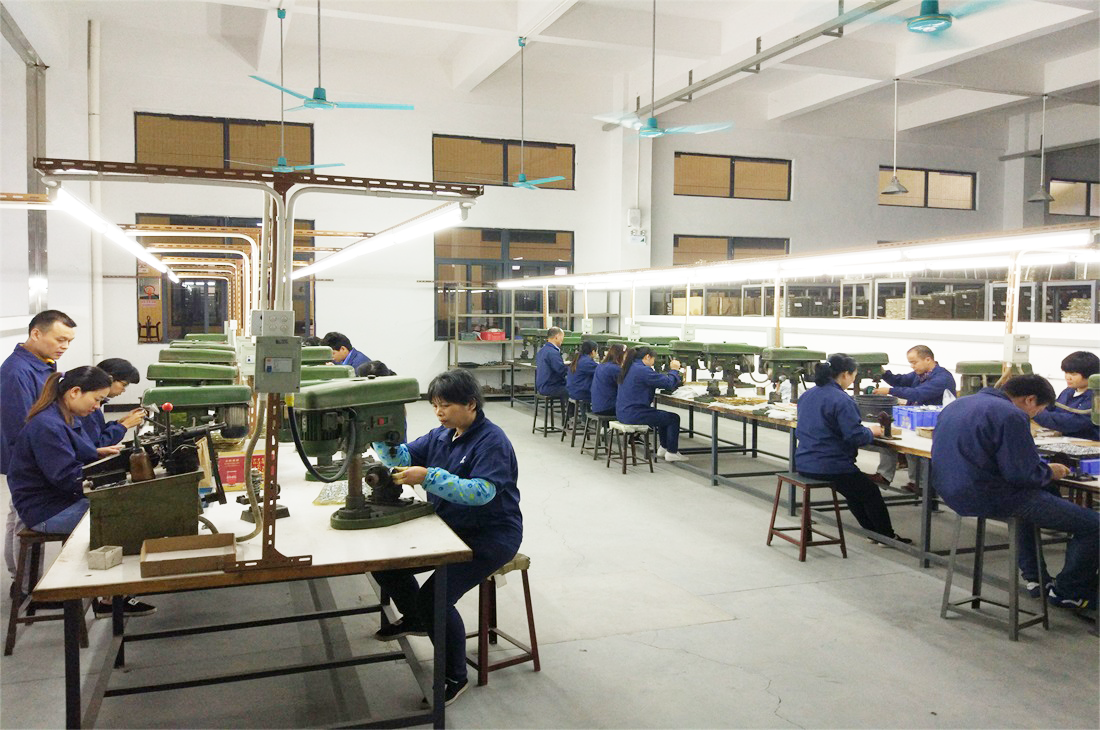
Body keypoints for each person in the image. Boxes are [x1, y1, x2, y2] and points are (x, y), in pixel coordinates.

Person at [369, 369, 521, 706]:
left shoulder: (492, 441)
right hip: (449, 526)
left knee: (435, 598)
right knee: (385, 566)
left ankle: (455, 675)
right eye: (435, 405)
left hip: (488, 535)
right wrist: (381, 436)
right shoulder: (441, 435)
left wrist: (429, 478)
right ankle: (417, 620)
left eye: (446, 405)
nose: (439, 412)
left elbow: (481, 492)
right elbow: (403, 457)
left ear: (471, 404)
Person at [932, 374, 1098, 613]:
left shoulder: (959, 404)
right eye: (1038, 410)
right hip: (992, 496)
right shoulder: (1011, 414)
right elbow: (1022, 475)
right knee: (1093, 525)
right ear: (1029, 399)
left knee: (1045, 493)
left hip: (952, 490)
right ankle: (1068, 592)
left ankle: (1035, 578)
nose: (1035, 416)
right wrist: (1050, 471)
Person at [7, 366, 156, 617]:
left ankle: (111, 592)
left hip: (59, 499)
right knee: (122, 518)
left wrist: (98, 454)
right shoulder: (47, 425)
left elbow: (75, 450)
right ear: (75, 392)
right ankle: (109, 598)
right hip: (46, 509)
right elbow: (67, 478)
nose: (97, 407)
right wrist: (114, 477)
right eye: (97, 399)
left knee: (124, 505)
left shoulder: (63, 417)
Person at [795, 354, 911, 545]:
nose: (852, 380)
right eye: (854, 376)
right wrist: (872, 431)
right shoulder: (841, 400)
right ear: (845, 374)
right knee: (870, 492)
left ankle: (873, 533)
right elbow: (855, 437)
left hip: (804, 461)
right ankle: (886, 537)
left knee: (855, 491)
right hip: (831, 465)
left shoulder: (808, 395)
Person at [1, 310, 77, 591]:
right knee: (24, 517)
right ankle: (23, 585)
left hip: (36, 455)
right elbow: (18, 427)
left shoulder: (44, 363)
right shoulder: (16, 372)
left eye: (69, 341)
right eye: (60, 339)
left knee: (18, 516)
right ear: (36, 334)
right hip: (25, 460)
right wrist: (43, 463)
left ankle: (23, 581)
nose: (64, 346)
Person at [869, 345, 957, 491]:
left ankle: (921, 485)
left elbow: (918, 394)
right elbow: (901, 380)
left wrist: (889, 390)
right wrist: (883, 373)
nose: (912, 366)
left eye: (914, 362)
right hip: (914, 419)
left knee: (915, 450)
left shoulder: (942, 378)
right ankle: (886, 476)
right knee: (888, 437)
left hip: (932, 423)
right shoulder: (920, 374)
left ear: (928, 359)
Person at [616, 346, 687, 462]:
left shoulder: (629, 367)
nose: (654, 362)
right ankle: (672, 452)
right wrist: (674, 370)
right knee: (673, 418)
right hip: (634, 413)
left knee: (662, 416)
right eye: (654, 359)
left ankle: (664, 448)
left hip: (623, 412)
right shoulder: (642, 370)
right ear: (647, 357)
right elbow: (668, 384)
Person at [1032, 351, 1099, 440]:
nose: (1068, 377)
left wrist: (1034, 412)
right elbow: (1049, 407)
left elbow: (1072, 423)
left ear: (1091, 375)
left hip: (1088, 442)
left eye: (1073, 374)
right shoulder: (1068, 391)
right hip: (1065, 439)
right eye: (1066, 372)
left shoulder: (1095, 397)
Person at [82, 359, 146, 447]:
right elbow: (98, 445)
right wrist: (124, 425)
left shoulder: (94, 404)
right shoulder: (86, 407)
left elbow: (98, 432)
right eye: (124, 384)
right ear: (110, 379)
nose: (123, 390)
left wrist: (120, 422)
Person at [590, 343, 626, 417]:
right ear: (621, 355)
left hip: (597, 405)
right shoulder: (616, 369)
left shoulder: (601, 366)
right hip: (608, 407)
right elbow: (626, 387)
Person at [534, 327, 568, 402]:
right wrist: (573, 369)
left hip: (543, 385)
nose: (562, 340)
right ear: (557, 337)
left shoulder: (542, 350)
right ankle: (572, 410)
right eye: (562, 337)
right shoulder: (552, 352)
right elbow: (561, 370)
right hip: (550, 387)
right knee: (573, 390)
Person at [566, 339, 599, 413]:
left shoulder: (580, 358)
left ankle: (588, 415)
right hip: (581, 392)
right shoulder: (587, 362)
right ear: (593, 351)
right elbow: (600, 371)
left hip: (572, 390)